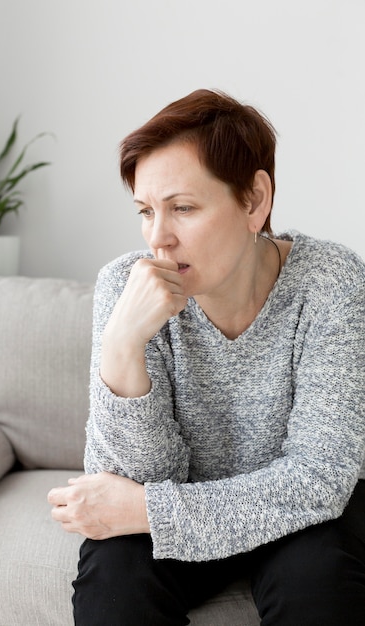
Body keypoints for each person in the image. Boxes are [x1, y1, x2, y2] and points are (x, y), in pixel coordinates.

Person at [48, 89, 365, 625]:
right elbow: (130, 476)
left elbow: (319, 478)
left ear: (254, 200)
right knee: (113, 583)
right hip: (184, 513)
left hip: (303, 523)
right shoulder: (125, 288)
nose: (159, 239)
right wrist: (124, 345)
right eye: (146, 211)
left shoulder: (332, 284)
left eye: (184, 208)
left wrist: (147, 510)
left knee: (318, 581)